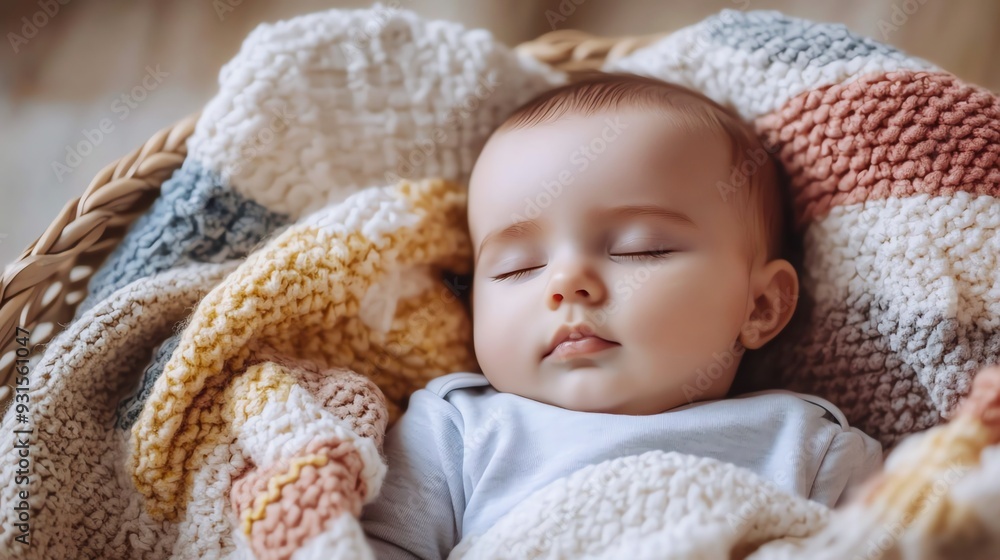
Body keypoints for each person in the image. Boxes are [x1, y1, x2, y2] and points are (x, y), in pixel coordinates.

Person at [360, 72, 883, 559]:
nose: (566, 283)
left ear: (762, 306)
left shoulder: (804, 445)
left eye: (642, 250)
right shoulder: (459, 430)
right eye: (519, 267)